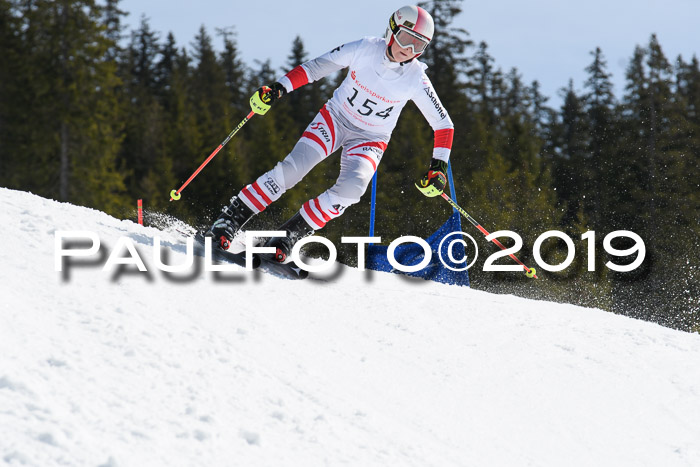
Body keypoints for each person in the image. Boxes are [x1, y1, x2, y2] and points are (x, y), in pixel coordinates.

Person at [208, 5, 454, 262]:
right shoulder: (364, 48)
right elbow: (316, 68)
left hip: (370, 139)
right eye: (406, 39)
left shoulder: (416, 78)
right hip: (335, 119)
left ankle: (290, 234)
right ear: (392, 30)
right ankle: (230, 219)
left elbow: (444, 124)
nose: (409, 50)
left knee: (352, 189)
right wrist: (279, 88)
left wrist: (438, 167)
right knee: (293, 169)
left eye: (419, 46)